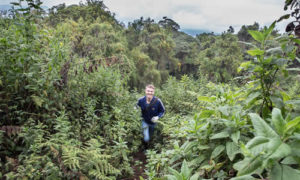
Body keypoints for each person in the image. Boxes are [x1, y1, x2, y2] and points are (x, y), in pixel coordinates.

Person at [137, 84, 165, 150]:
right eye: (148, 91)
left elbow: (162, 111)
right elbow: (136, 106)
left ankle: (146, 144)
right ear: (145, 91)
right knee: (146, 137)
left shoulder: (158, 101)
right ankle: (145, 149)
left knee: (150, 136)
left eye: (151, 91)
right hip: (145, 121)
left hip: (153, 123)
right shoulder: (141, 100)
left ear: (153, 92)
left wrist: (158, 117)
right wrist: (135, 109)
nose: (149, 92)